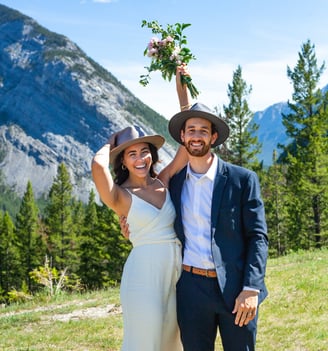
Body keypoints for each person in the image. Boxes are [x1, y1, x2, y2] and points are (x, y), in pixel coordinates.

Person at [166, 81, 269, 350]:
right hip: (190, 289)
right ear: (183, 137)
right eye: (191, 131)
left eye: (203, 130)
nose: (196, 136)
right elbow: (144, 197)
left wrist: (251, 288)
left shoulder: (242, 180)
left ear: (213, 138)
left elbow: (258, 237)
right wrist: (126, 219)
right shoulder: (174, 184)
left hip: (236, 288)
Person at [91, 122, 188, 350]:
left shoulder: (162, 182)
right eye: (132, 154)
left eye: (144, 151)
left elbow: (185, 148)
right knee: (145, 341)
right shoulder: (120, 195)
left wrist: (183, 95)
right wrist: (110, 142)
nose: (140, 159)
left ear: (152, 155)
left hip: (176, 274)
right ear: (123, 161)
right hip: (143, 276)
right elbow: (97, 166)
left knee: (172, 341)